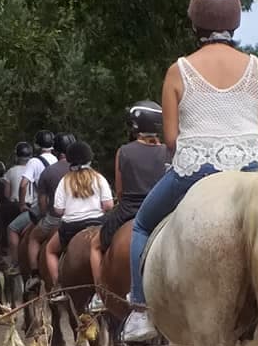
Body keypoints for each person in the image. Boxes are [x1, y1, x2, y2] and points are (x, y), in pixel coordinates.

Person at [122, 0, 258, 343]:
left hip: (196, 169)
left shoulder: (179, 70)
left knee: (142, 225)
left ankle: (141, 312)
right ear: (235, 23)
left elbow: (173, 140)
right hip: (253, 168)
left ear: (196, 24)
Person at [88, 102, 168, 311]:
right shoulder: (169, 151)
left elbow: (121, 191)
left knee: (96, 245)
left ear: (135, 126)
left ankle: (100, 295)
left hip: (129, 210)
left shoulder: (123, 151)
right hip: (163, 208)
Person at [45, 140, 113, 301]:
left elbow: (58, 210)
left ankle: (58, 287)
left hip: (71, 227)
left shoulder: (65, 181)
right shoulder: (98, 178)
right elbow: (109, 205)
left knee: (50, 250)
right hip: (98, 223)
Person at [25, 132, 75, 292]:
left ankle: (34, 276)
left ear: (56, 151)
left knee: (33, 238)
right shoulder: (82, 170)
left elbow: (42, 203)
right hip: (81, 215)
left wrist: (44, 213)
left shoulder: (48, 172)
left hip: (55, 219)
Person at [6, 130, 57, 274]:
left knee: (12, 228)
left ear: (36, 145)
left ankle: (16, 264)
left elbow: (23, 185)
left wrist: (22, 204)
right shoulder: (58, 159)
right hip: (61, 205)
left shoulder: (34, 162)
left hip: (40, 207)